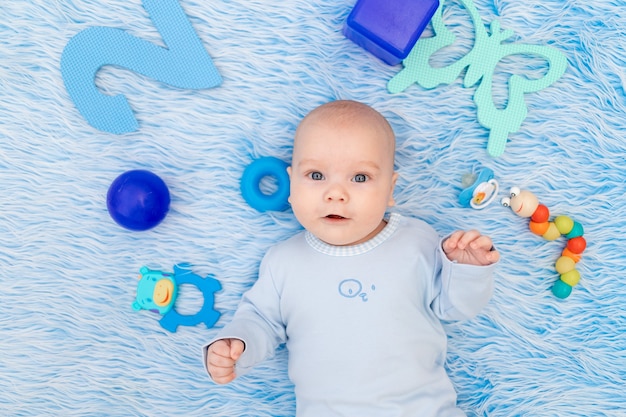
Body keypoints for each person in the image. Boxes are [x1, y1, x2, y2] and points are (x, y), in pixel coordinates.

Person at [203, 100, 499, 416]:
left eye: (359, 178)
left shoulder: (417, 242)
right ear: (291, 183)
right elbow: (259, 319)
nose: (336, 194)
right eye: (316, 175)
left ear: (390, 189)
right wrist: (237, 344)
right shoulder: (284, 262)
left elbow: (455, 307)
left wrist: (467, 269)